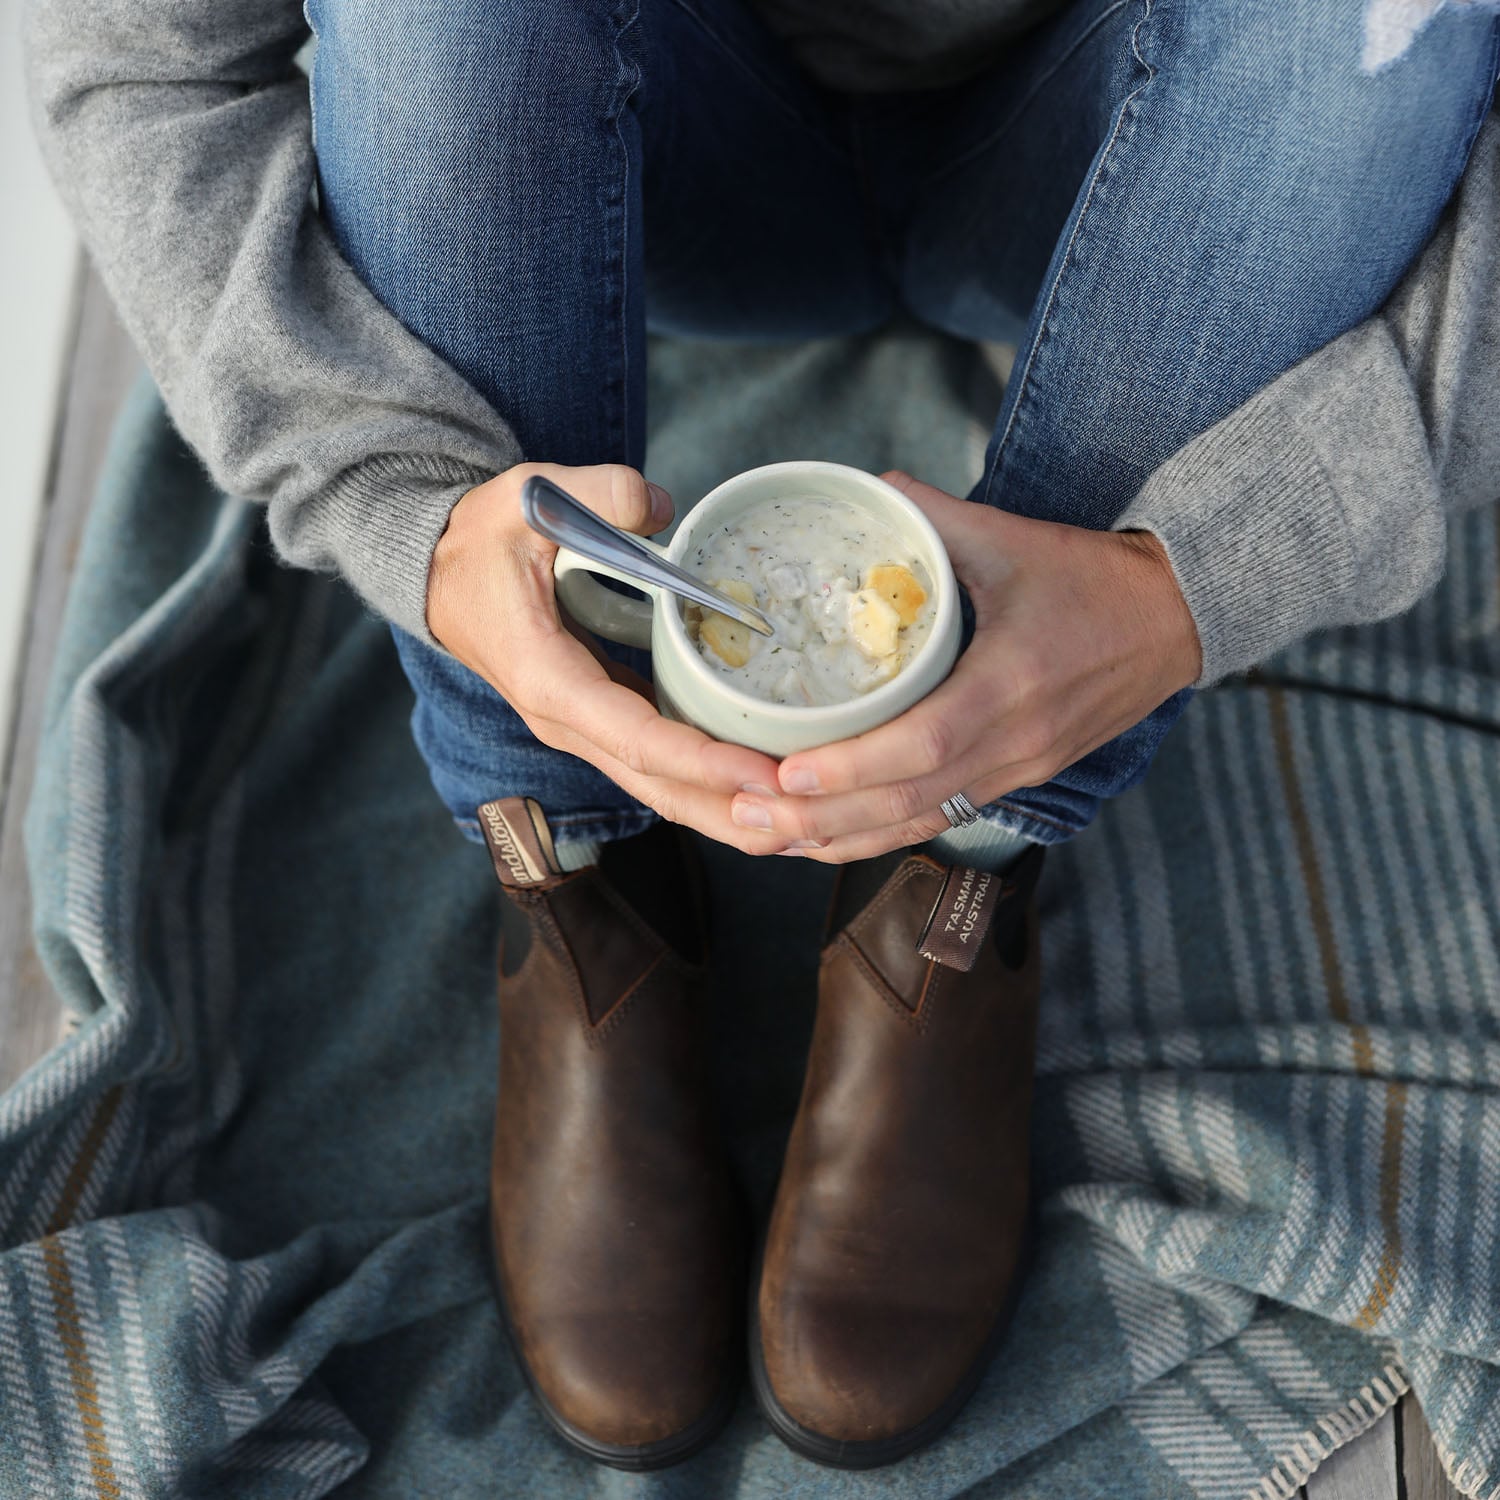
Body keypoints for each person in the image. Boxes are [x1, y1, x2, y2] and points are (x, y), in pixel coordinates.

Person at [25, 0, 1500, 1472]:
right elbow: (137, 58)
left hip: (1163, 170)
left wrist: (1197, 581)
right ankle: (576, 872)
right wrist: (396, 499)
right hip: (662, 155)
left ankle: (959, 869)